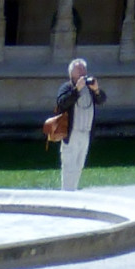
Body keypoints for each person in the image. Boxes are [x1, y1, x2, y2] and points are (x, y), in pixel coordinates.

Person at [54, 55, 104, 192]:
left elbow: (102, 99)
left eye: (84, 69)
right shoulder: (67, 87)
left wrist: (96, 90)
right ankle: (66, 195)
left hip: (86, 133)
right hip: (72, 133)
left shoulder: (90, 89)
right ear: (71, 73)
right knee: (69, 167)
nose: (83, 72)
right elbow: (62, 102)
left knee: (79, 165)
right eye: (79, 69)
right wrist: (76, 90)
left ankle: (74, 192)